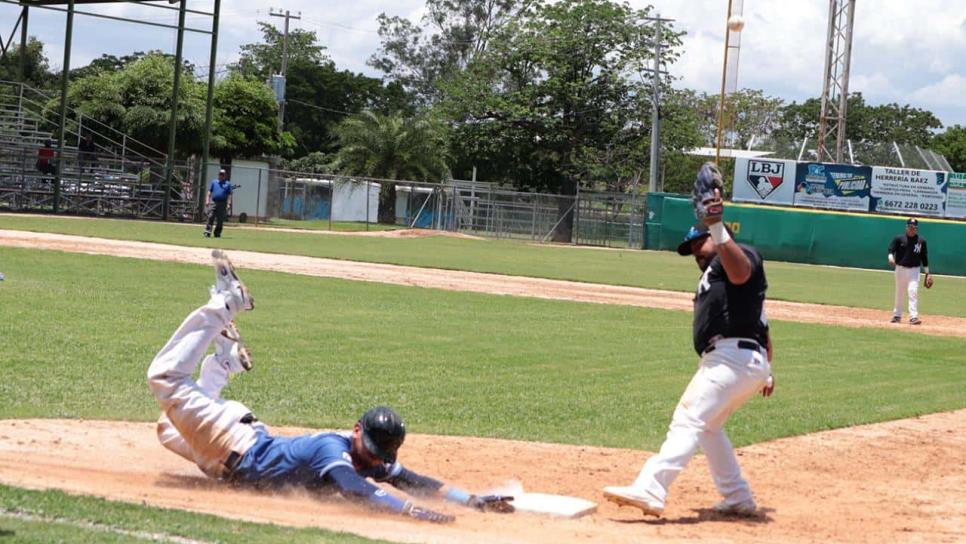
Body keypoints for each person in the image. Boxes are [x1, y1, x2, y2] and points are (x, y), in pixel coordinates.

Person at [147, 250, 514, 523]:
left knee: (167, 429)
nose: (373, 459)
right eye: (371, 451)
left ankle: (224, 364)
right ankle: (226, 304)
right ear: (357, 430)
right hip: (230, 442)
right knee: (164, 378)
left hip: (231, 448)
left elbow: (413, 481)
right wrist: (412, 513)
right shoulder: (331, 451)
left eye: (379, 456)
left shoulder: (366, 457)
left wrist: (470, 500)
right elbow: (358, 491)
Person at [603, 163, 774, 518]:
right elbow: (762, 324)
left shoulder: (742, 257)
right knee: (709, 429)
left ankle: (652, 488)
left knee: (688, 420)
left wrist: (715, 225)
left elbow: (741, 273)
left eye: (700, 241)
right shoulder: (714, 274)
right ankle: (738, 496)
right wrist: (767, 370)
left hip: (732, 359)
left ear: (717, 233)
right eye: (691, 245)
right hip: (738, 361)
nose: (695, 250)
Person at [888, 218, 930, 325]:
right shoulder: (899, 238)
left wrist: (927, 273)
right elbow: (891, 249)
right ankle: (897, 316)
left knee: (913, 291)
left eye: (914, 228)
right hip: (900, 269)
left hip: (914, 270)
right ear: (906, 227)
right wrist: (890, 257)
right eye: (910, 227)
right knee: (900, 292)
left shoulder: (921, 241)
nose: (912, 229)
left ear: (917, 229)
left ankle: (913, 317)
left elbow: (924, 257)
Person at [204, 169, 233, 238]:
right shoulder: (214, 182)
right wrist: (207, 200)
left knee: (220, 220)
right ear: (218, 175)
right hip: (213, 202)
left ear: (225, 175)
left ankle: (217, 233)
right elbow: (209, 192)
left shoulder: (228, 184)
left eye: (223, 174)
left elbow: (230, 195)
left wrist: (229, 203)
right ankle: (207, 232)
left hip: (223, 204)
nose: (221, 175)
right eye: (220, 174)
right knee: (210, 217)